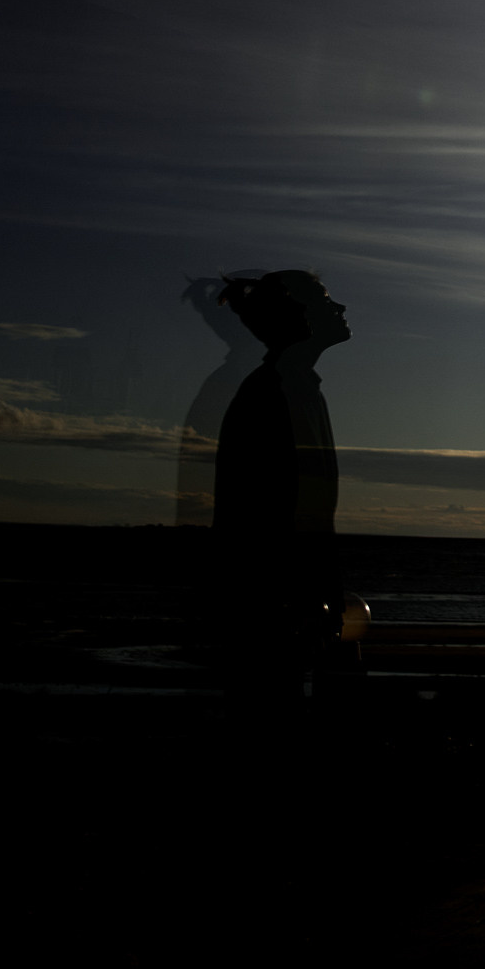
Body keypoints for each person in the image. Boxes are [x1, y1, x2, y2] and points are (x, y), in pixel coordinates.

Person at [211, 268, 353, 697]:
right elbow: (277, 507)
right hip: (273, 602)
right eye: (325, 301)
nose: (340, 307)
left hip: (283, 598)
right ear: (299, 316)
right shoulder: (274, 392)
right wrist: (307, 597)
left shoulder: (299, 388)